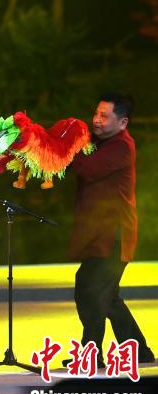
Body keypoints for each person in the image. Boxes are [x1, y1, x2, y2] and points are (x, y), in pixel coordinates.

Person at [65, 93, 154, 367]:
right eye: (96, 113)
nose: (96, 120)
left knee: (90, 289)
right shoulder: (100, 143)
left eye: (104, 116)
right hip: (102, 232)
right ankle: (138, 351)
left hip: (115, 234)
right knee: (106, 296)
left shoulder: (121, 146)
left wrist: (62, 151)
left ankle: (91, 354)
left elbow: (87, 169)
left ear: (123, 122)